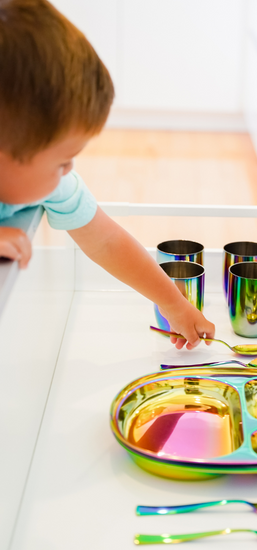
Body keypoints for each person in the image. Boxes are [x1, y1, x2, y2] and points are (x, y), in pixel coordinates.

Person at [0, 0, 215, 350]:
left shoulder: (53, 185)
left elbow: (105, 240)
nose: (69, 170)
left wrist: (174, 303)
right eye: (62, 161)